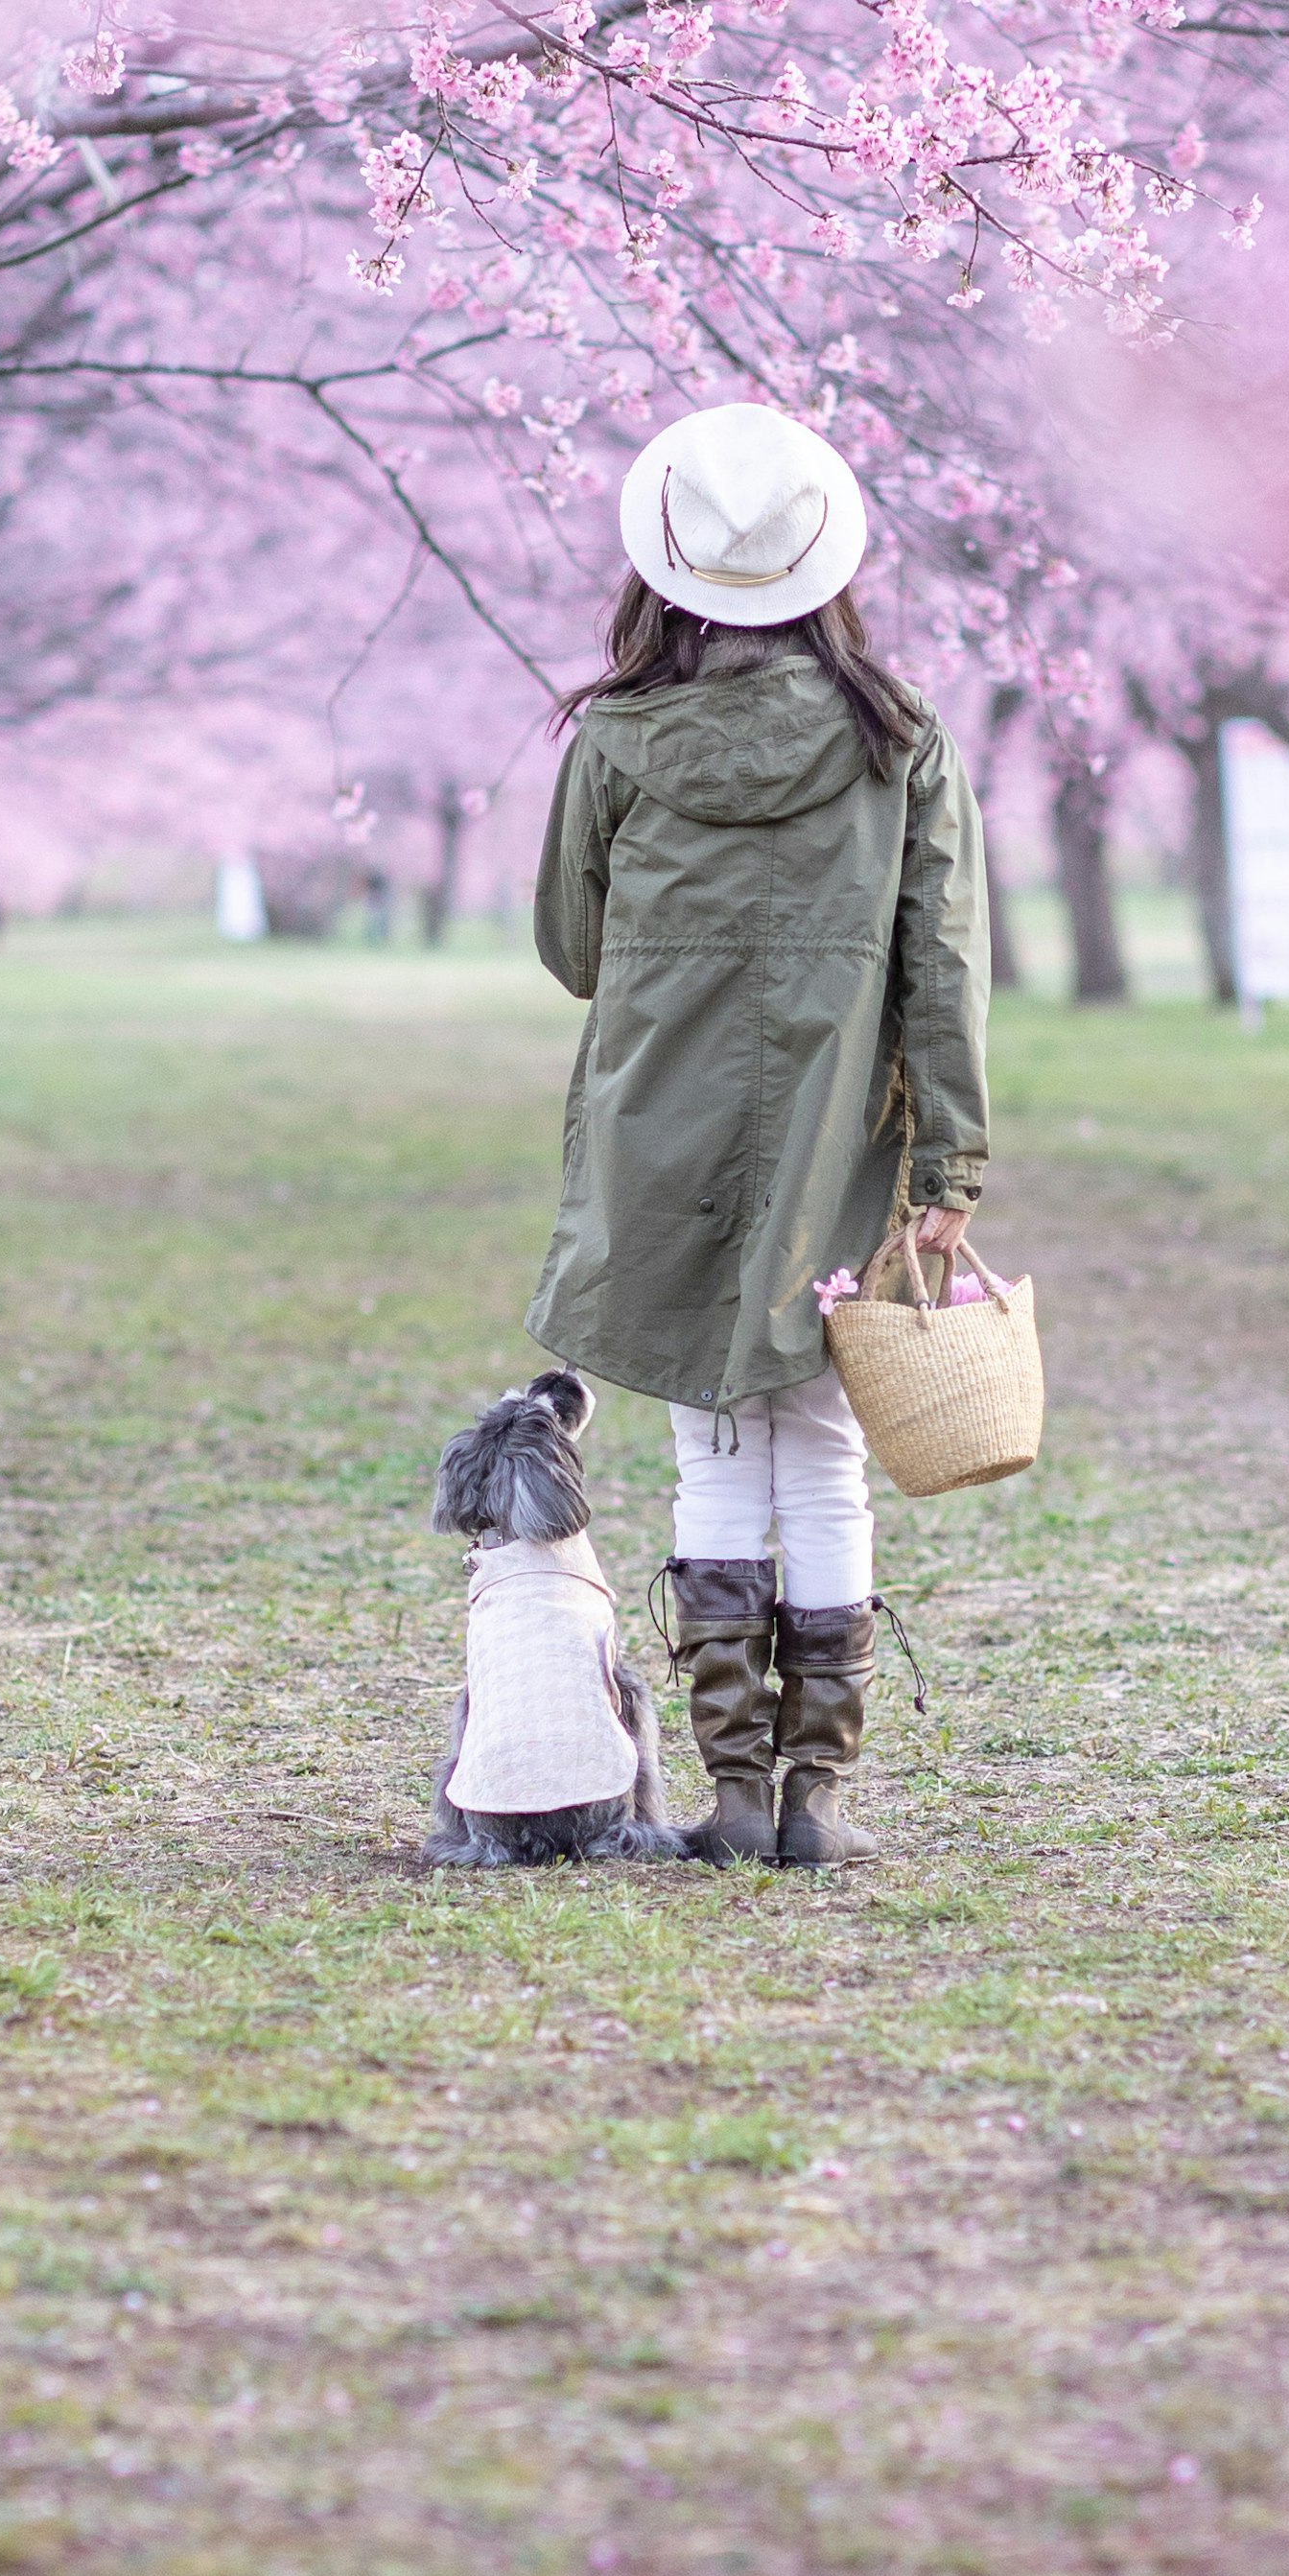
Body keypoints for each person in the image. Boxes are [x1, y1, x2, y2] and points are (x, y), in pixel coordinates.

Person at [525, 402, 992, 1869]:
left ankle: (730, 1794)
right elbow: (946, 971)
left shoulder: (617, 739)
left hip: (658, 1135)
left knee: (715, 1448)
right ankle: (816, 1802)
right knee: (828, 1452)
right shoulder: (898, 740)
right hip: (838, 1143)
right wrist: (948, 1168)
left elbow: (570, 947)